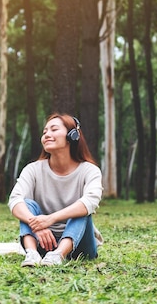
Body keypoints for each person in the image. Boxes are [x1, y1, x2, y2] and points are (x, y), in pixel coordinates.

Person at [8, 113, 103, 267]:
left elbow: (90, 202)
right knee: (27, 204)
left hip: (80, 247)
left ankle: (59, 254)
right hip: (43, 244)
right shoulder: (33, 169)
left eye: (53, 130)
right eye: (45, 132)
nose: (47, 135)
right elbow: (15, 200)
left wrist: (50, 219)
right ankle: (32, 253)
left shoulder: (90, 171)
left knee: (82, 209)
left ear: (72, 135)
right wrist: (37, 225)